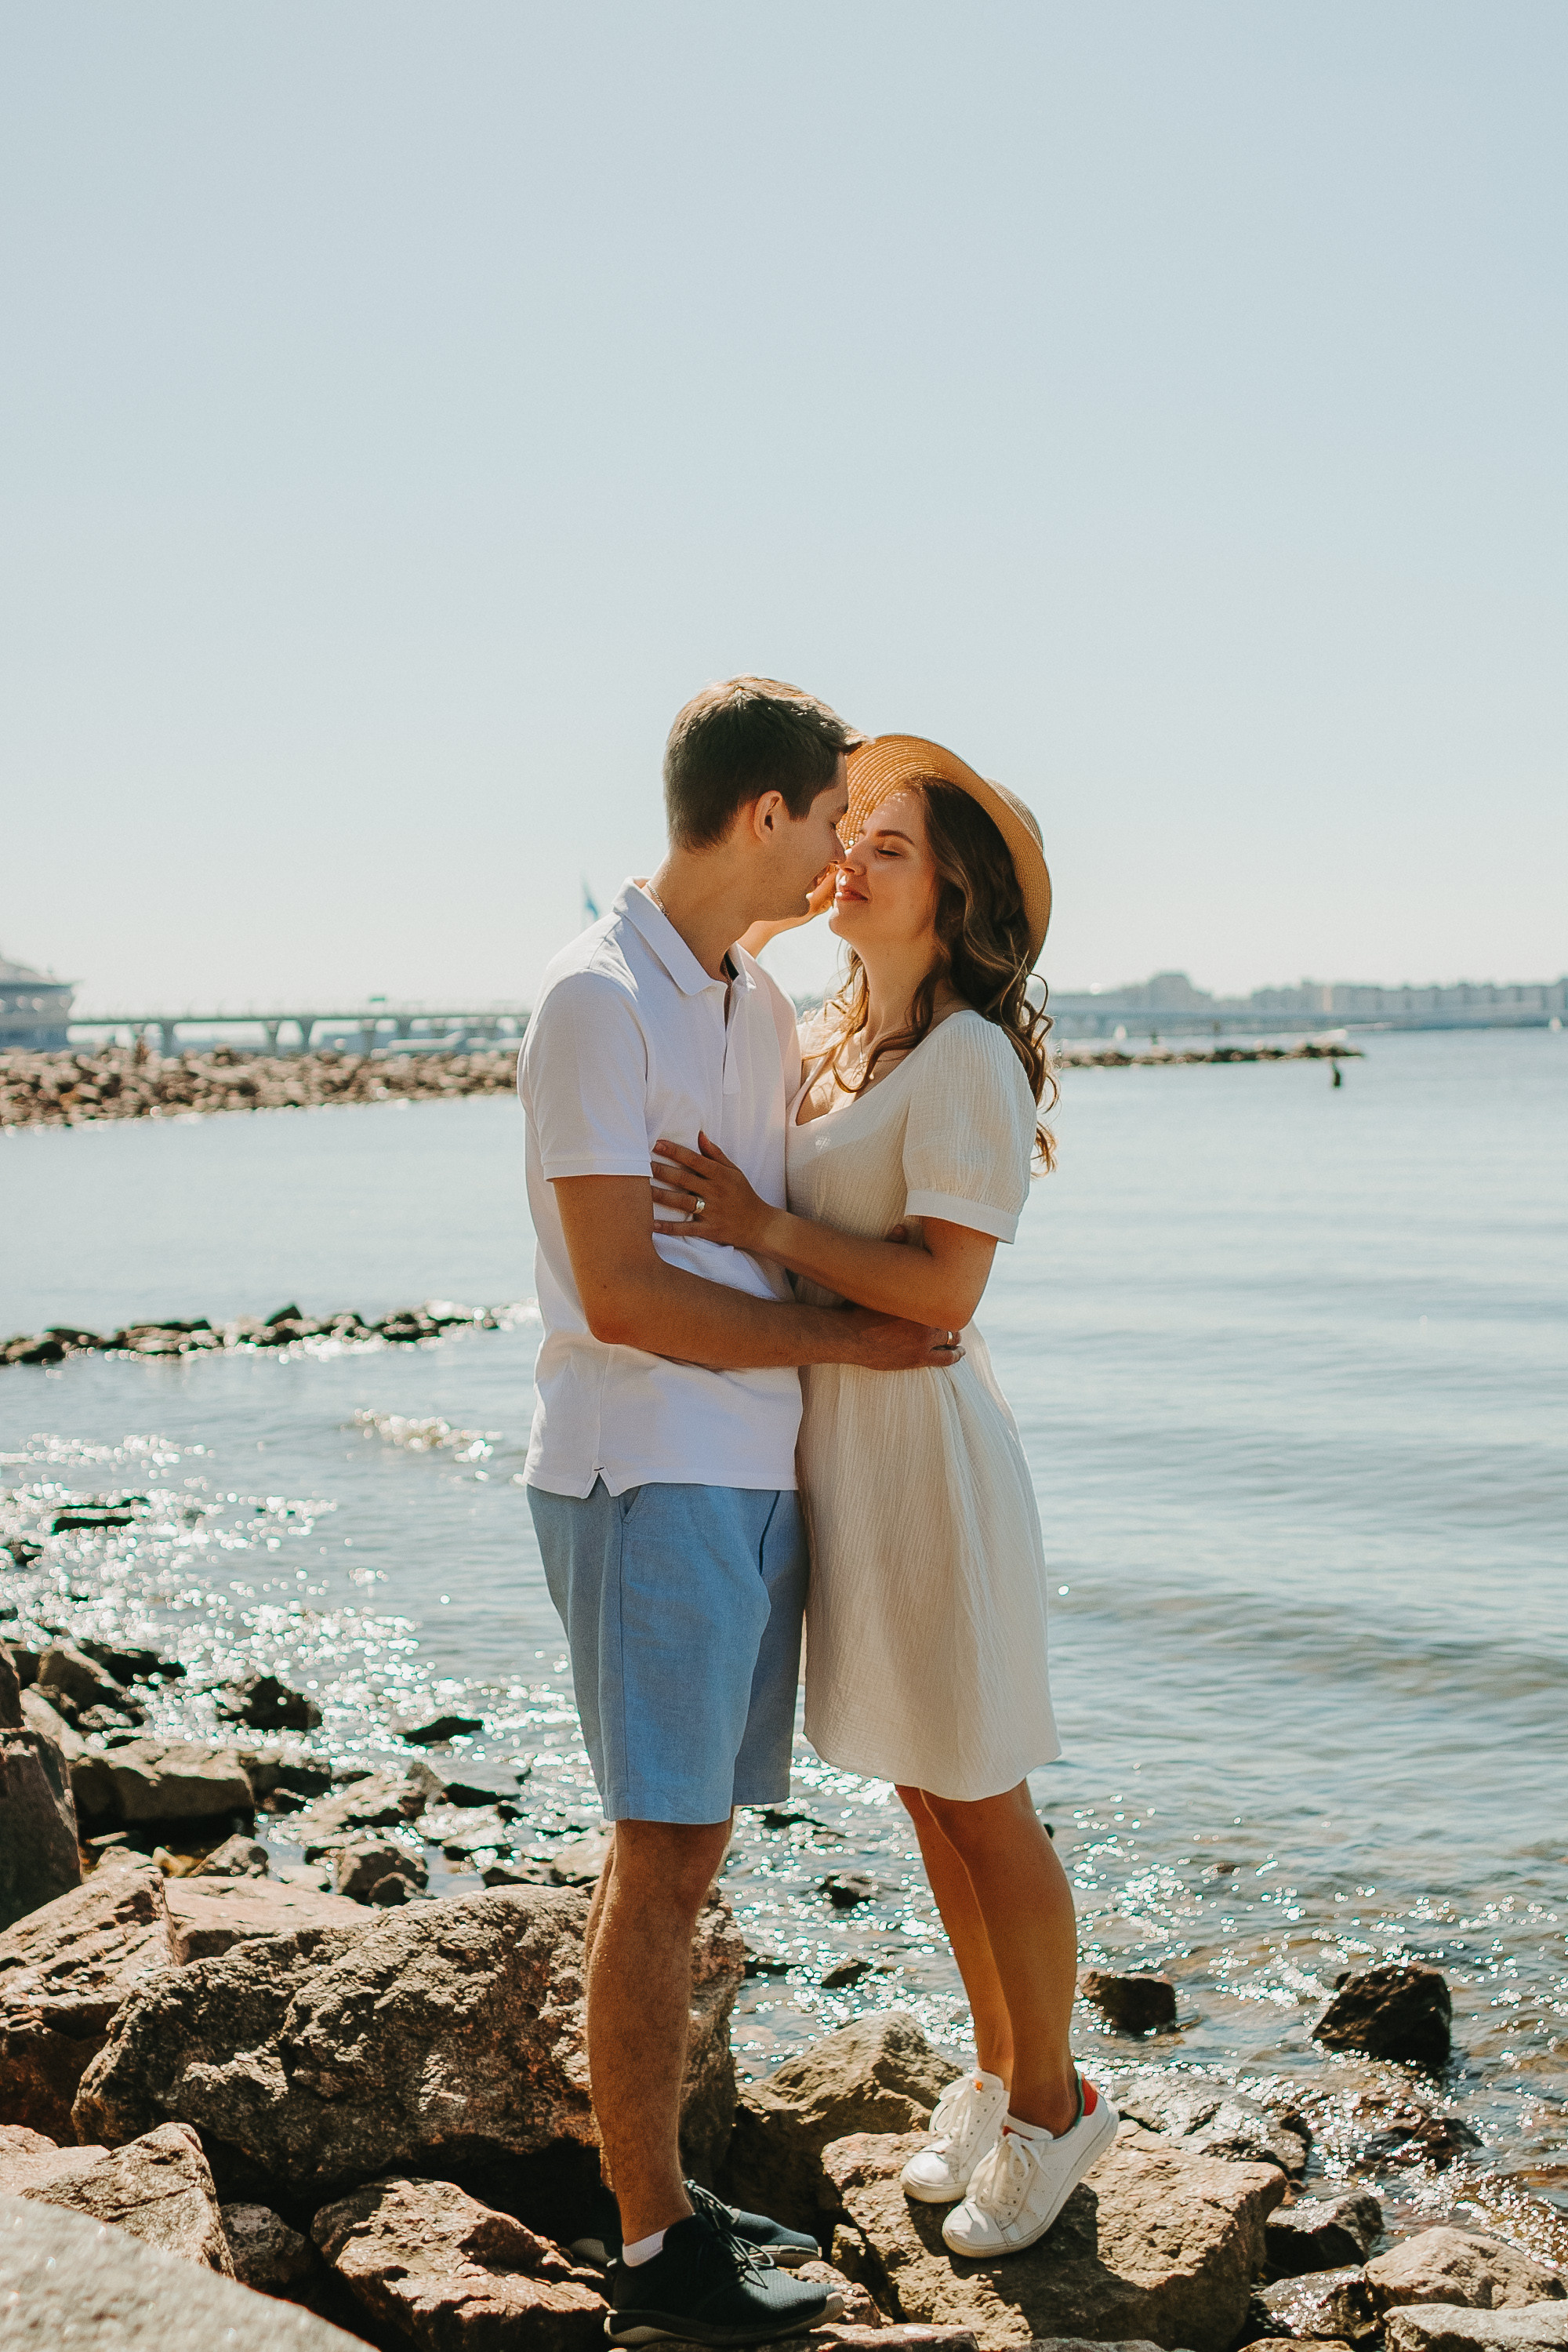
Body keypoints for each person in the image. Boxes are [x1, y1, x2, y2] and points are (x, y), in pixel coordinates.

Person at [517, 683, 966, 2347]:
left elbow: (769, 1224)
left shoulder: (754, 1003)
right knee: (663, 1854)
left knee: (689, 1851)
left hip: (754, 1470)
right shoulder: (591, 1004)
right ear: (765, 814)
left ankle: (662, 2195)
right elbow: (627, 1294)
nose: (847, 844)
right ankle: (653, 2253)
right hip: (645, 1468)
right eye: (835, 813)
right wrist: (857, 1335)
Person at [652, 734, 1118, 2260]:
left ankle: (1055, 2109)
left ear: (958, 894)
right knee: (927, 1790)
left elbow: (947, 1281)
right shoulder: (847, 1039)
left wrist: (765, 1223)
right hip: (852, 1450)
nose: (849, 861)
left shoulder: (969, 1060)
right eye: (849, 835)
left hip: (930, 1457)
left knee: (981, 1792)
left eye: (891, 847)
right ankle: (996, 2073)